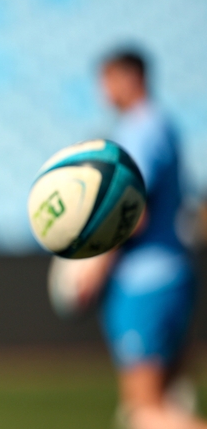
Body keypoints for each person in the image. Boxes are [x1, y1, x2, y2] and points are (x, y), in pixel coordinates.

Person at [67, 49, 203, 429]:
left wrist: (94, 272)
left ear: (129, 78)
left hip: (145, 283)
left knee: (144, 413)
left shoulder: (139, 130)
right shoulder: (164, 125)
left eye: (106, 80)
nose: (102, 91)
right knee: (165, 403)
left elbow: (130, 213)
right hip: (174, 275)